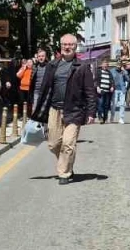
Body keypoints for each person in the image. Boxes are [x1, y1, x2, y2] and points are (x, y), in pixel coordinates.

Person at [29, 33, 95, 185]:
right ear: (60, 46)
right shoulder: (52, 65)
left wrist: (91, 112)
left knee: (68, 143)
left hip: (74, 110)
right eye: (65, 44)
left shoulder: (82, 67)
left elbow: (90, 91)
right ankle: (67, 164)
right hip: (54, 109)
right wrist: (38, 109)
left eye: (70, 44)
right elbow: (45, 88)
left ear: (75, 46)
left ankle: (64, 173)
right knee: (53, 144)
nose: (67, 47)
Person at [96, 56, 114, 123]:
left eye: (107, 64)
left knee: (106, 105)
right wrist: (97, 87)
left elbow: (112, 81)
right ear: (102, 64)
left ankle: (105, 118)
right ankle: (100, 117)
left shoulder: (109, 72)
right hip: (101, 91)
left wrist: (112, 86)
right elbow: (96, 80)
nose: (106, 66)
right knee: (100, 104)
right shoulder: (98, 72)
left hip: (108, 91)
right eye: (104, 64)